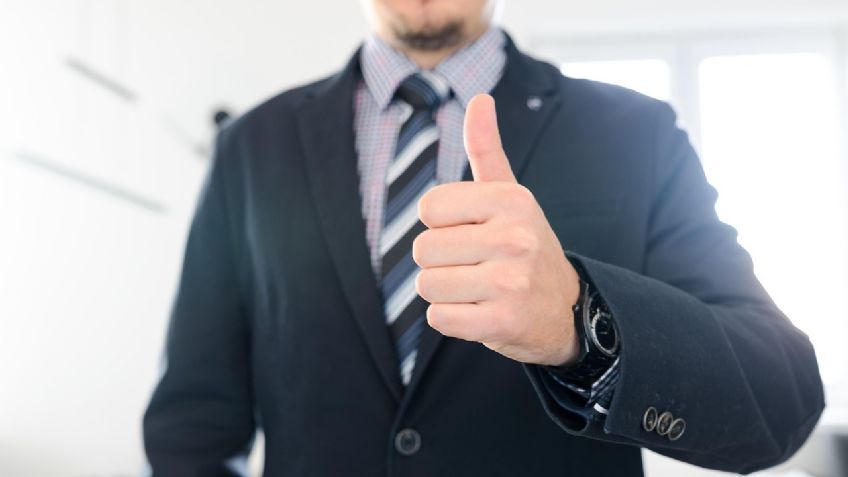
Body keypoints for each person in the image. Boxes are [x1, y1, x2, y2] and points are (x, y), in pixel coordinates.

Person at [143, 1, 825, 475]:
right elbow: (193, 419)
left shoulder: (634, 134)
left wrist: (581, 320)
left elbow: (780, 401)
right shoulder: (251, 148)